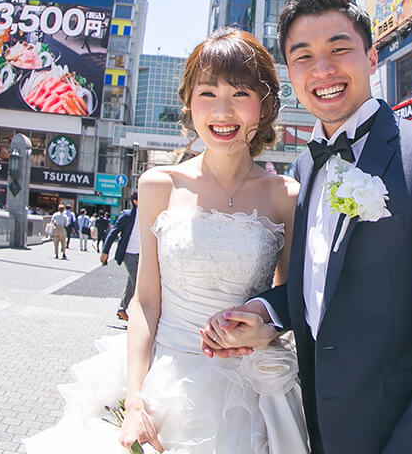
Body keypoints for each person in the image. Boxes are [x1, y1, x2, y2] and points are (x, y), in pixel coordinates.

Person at [204, 0, 412, 454]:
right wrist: (268, 312)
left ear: (371, 57)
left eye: (339, 50)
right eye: (303, 57)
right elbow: (320, 283)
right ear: (290, 74)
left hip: (408, 431)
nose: (323, 70)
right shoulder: (302, 168)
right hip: (322, 426)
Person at [26, 27, 304, 453]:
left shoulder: (285, 195)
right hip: (165, 376)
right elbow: (145, 302)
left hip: (252, 389)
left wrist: (265, 329)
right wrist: (136, 399)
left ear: (264, 105)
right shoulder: (159, 185)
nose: (222, 111)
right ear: (189, 103)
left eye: (240, 94)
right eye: (207, 94)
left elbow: (289, 297)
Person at [100, 195, 139, 322]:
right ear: (135, 201)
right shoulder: (127, 215)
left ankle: (122, 309)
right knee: (139, 284)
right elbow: (113, 233)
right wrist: (105, 251)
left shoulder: (149, 215)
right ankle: (140, 315)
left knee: (131, 283)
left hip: (143, 255)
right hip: (128, 254)